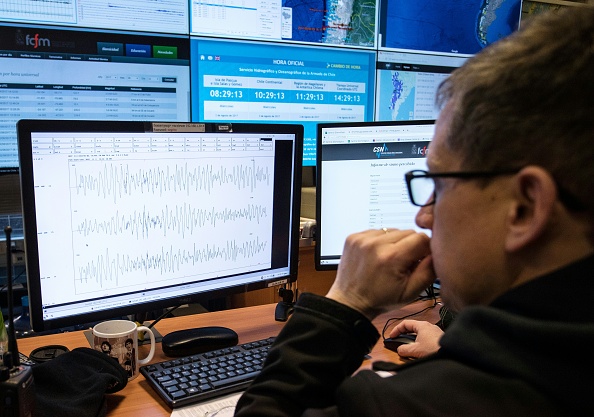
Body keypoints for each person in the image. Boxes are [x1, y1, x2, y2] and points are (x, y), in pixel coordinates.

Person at [234, 7, 594, 417]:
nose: (423, 216)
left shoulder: (425, 404)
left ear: (525, 207)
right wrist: (454, 344)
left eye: (438, 184)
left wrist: (348, 301)